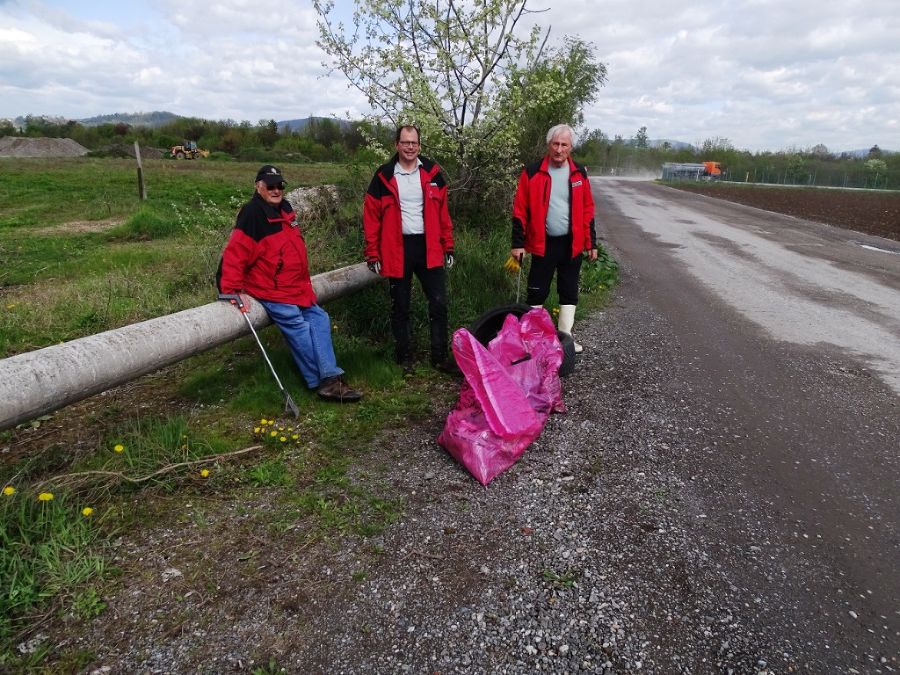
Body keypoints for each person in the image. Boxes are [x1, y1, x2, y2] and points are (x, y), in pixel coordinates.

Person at [217, 164, 362, 402]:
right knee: (297, 325)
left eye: (280, 185)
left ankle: (328, 376)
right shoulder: (252, 213)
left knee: (319, 318)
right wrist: (231, 290)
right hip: (270, 288)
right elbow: (235, 253)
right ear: (258, 187)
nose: (276, 190)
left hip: (295, 285)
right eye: (270, 186)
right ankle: (325, 381)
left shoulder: (285, 208)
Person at [363, 125, 456, 373]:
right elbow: (371, 217)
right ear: (397, 145)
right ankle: (404, 357)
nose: (410, 147)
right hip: (397, 248)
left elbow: (443, 214)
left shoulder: (433, 173)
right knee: (401, 306)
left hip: (429, 246)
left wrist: (448, 245)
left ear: (420, 146)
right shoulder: (383, 176)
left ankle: (439, 357)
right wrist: (372, 252)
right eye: (405, 143)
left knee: (438, 303)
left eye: (414, 143)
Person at [511, 124, 598, 353]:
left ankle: (566, 339)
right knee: (537, 291)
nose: (559, 149)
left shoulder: (579, 173)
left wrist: (591, 243)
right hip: (542, 244)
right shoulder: (531, 172)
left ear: (571, 148)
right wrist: (517, 244)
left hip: (571, 244)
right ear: (548, 145)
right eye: (555, 144)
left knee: (568, 290)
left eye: (564, 145)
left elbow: (588, 209)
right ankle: (533, 339)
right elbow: (520, 210)